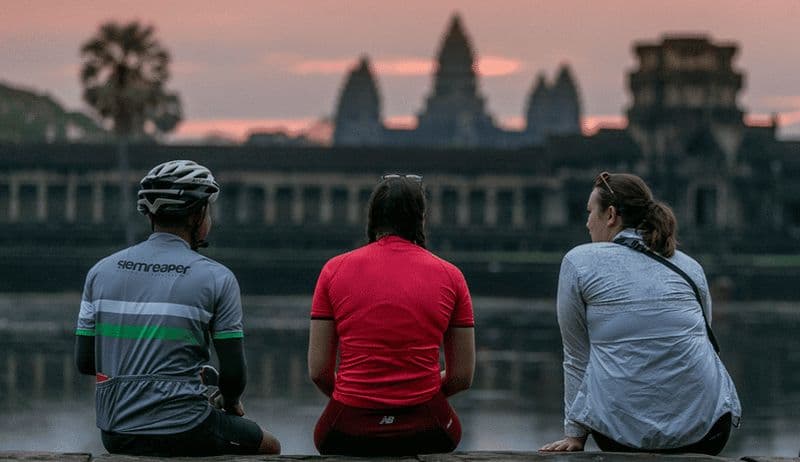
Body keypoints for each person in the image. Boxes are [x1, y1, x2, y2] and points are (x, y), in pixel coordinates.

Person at [74, 160, 281, 456]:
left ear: (150, 215)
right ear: (197, 215)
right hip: (186, 428)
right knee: (271, 446)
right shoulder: (217, 278)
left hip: (116, 431)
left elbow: (85, 362)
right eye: (208, 210)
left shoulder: (100, 272)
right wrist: (230, 399)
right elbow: (234, 375)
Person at [540, 172, 741, 455]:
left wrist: (575, 435)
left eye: (590, 213)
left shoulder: (579, 261)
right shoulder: (689, 267)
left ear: (611, 215)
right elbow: (703, 339)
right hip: (710, 431)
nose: (587, 223)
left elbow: (577, 358)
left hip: (621, 437)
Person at [307, 173, 475, 456]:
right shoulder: (452, 276)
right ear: (421, 219)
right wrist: (416, 391)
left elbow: (319, 372)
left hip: (348, 427)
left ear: (372, 218)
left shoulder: (332, 271)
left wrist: (360, 394)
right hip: (426, 426)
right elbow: (461, 377)